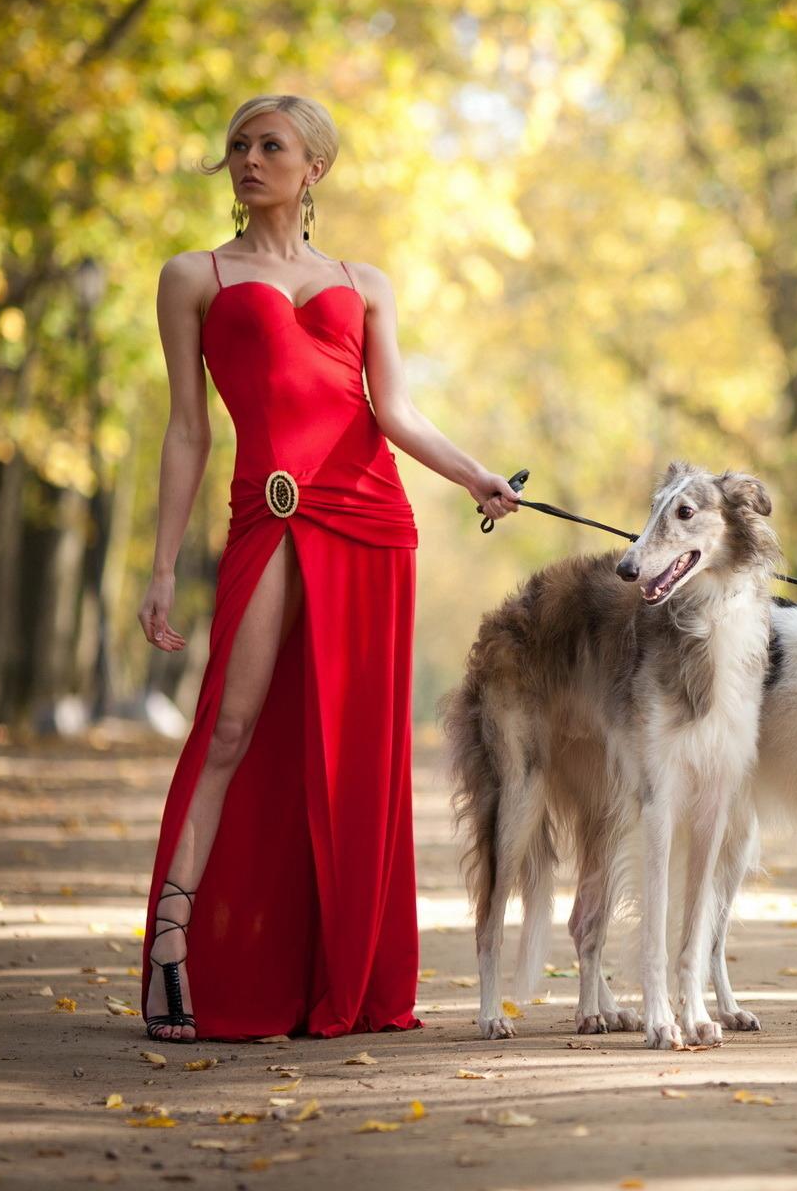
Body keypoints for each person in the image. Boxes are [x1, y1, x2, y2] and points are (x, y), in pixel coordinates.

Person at [136, 93, 520, 1041]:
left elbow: (393, 411)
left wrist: (475, 475)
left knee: (355, 752)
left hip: (371, 520)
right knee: (231, 723)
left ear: (314, 169)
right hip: (269, 513)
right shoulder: (195, 277)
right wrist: (157, 567)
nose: (249, 159)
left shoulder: (366, 279)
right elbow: (188, 431)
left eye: (272, 146)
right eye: (238, 146)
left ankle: (340, 971)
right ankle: (171, 942)